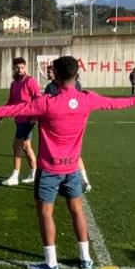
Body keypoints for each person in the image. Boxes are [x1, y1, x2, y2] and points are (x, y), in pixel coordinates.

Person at [0, 56, 135, 269]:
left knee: (46, 212)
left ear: (55, 75)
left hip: (49, 170)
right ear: (77, 75)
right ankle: (85, 259)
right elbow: (114, 103)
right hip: (72, 169)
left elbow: (11, 110)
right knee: (76, 209)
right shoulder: (87, 98)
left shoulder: (46, 103)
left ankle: (51, 264)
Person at [43, 65, 93, 193]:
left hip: (67, 125)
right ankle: (70, 181)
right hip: (57, 125)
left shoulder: (74, 85)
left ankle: (84, 180)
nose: (47, 73)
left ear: (57, 73)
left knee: (73, 155)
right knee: (68, 156)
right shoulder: (50, 86)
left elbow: (77, 100)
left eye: (49, 71)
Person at [0, 57, 40, 186]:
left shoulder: (30, 81)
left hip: (28, 119)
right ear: (13, 68)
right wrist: (1, 115)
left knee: (16, 146)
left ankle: (15, 176)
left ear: (25, 67)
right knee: (26, 147)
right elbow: (11, 102)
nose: (20, 70)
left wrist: (34, 118)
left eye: (22, 67)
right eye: (17, 68)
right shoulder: (14, 84)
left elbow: (38, 99)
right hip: (19, 119)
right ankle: (34, 174)